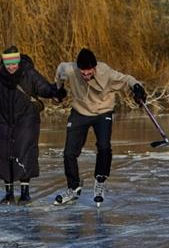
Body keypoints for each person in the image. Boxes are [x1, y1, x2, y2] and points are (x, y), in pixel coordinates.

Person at [0, 45, 64, 206]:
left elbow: (43, 87)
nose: (11, 67)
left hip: (26, 119)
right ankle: (8, 193)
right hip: (2, 120)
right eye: (7, 64)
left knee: (25, 151)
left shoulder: (29, 73)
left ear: (18, 62)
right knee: (3, 154)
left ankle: (25, 193)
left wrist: (55, 92)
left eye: (13, 64)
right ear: (3, 63)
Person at [52, 47, 146, 206]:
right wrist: (58, 88)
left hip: (103, 111)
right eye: (83, 72)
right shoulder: (70, 70)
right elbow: (60, 70)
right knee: (69, 153)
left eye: (89, 71)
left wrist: (137, 87)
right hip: (80, 111)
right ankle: (73, 188)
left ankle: (100, 181)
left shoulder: (106, 72)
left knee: (103, 146)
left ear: (94, 68)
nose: (86, 75)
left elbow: (126, 79)